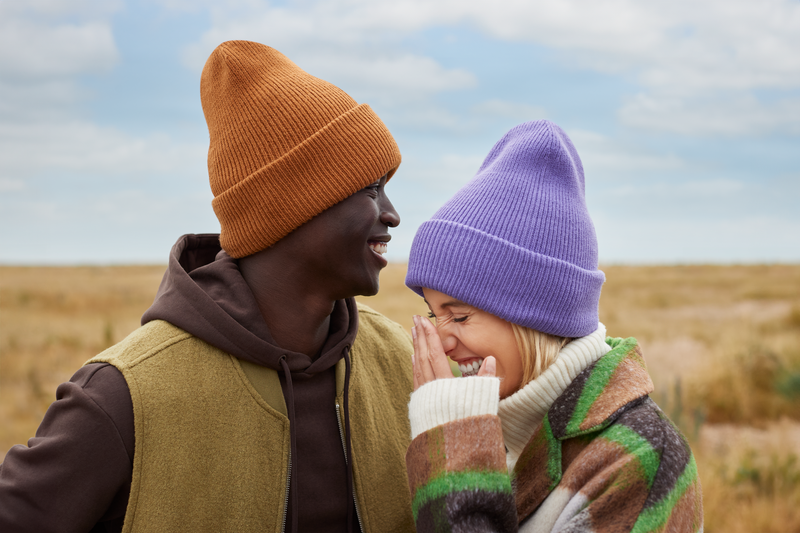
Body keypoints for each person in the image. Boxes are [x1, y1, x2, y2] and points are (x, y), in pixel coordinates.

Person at [0, 40, 415, 533]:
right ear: (291, 208)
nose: (391, 214)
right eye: (370, 189)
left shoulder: (401, 361)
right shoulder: (124, 396)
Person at [403, 120, 703, 533]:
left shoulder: (637, 459)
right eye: (435, 315)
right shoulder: (501, 424)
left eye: (460, 316)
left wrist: (452, 458)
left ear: (535, 315)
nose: (443, 342)